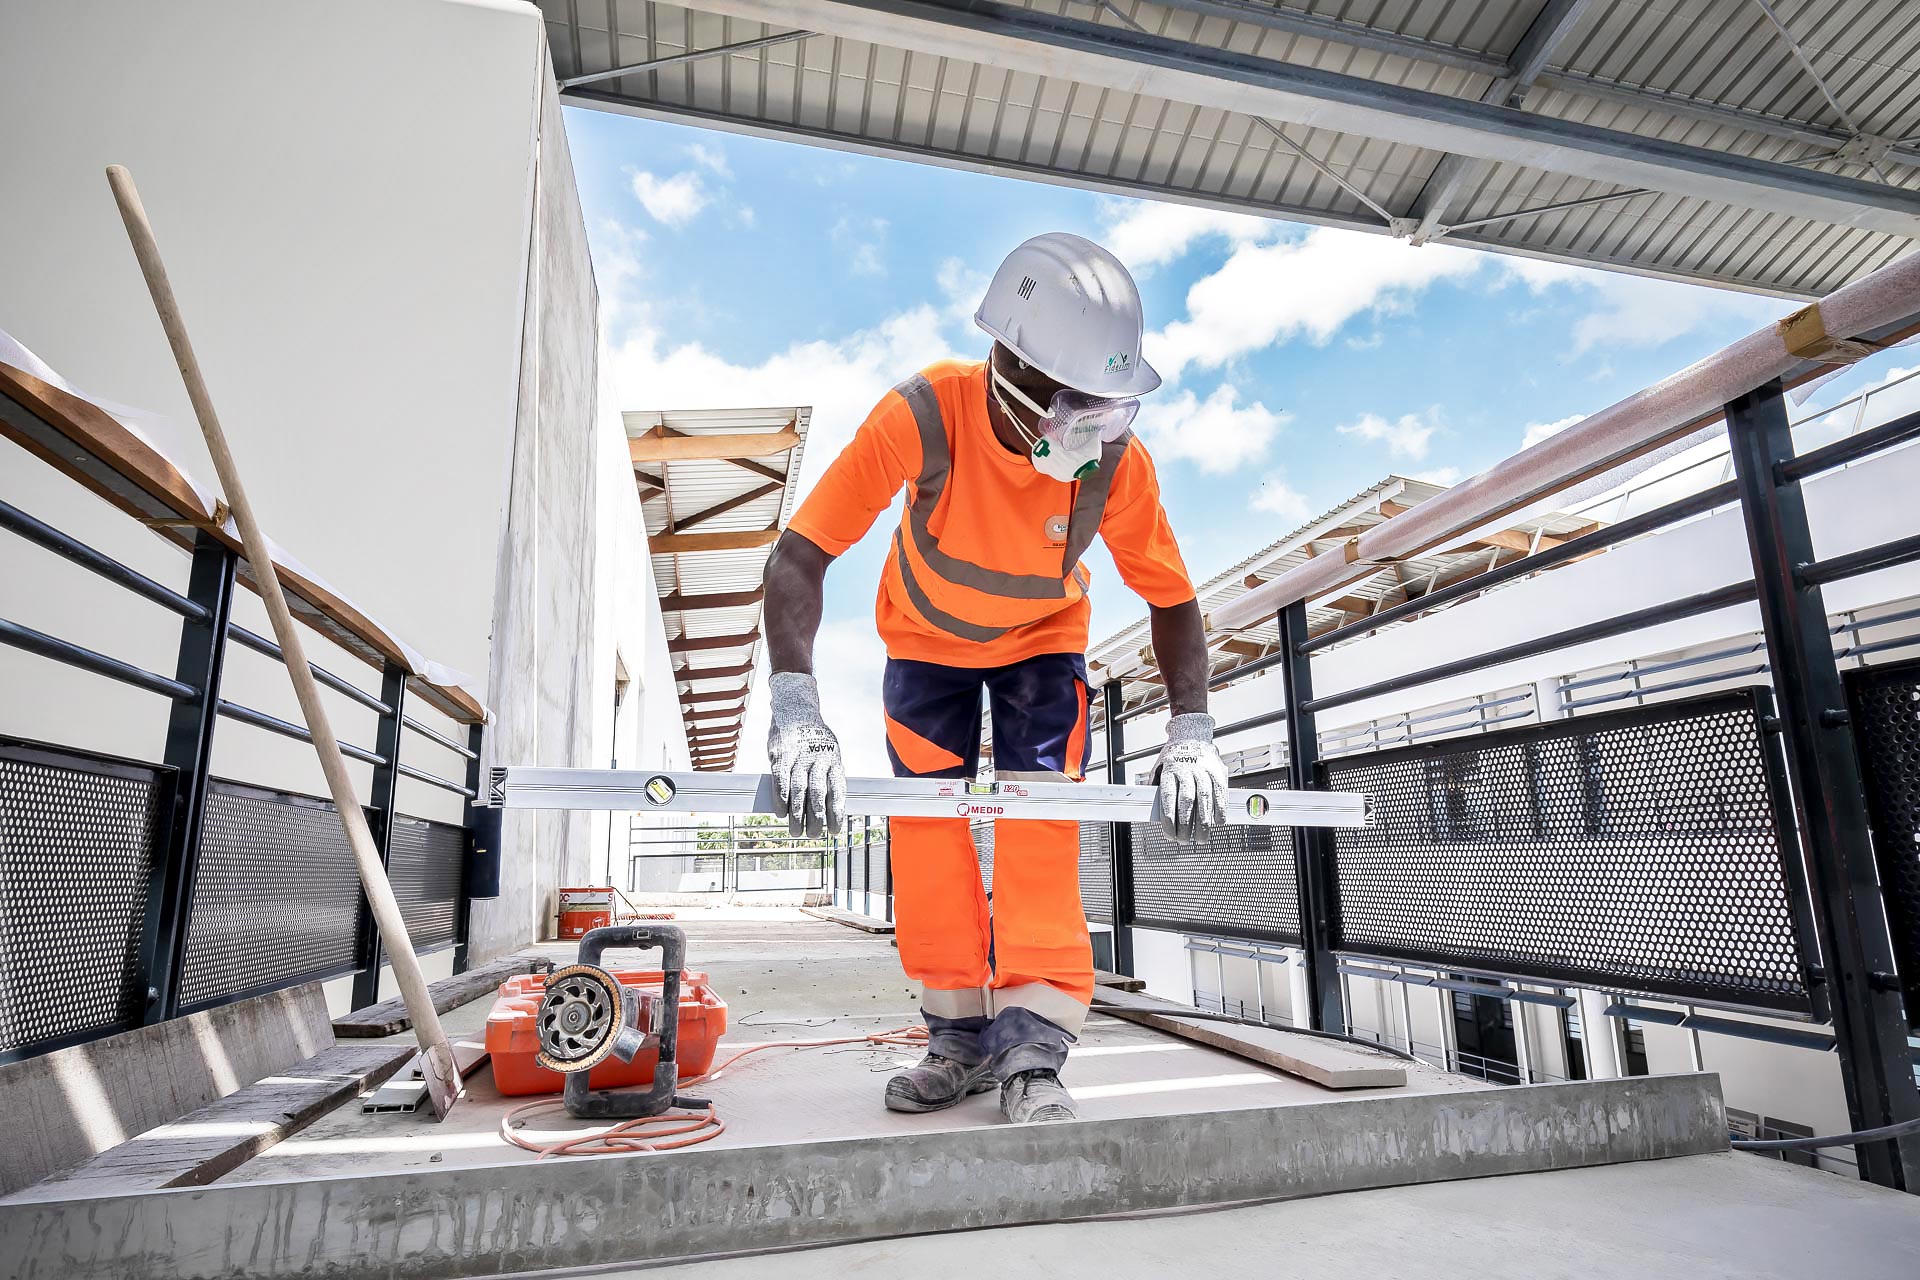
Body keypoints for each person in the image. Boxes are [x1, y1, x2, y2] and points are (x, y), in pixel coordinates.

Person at [760, 232, 1228, 1124]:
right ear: (1009, 373)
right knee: (928, 833)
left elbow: (1171, 598)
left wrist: (1192, 730)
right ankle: (958, 1040)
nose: (1092, 429)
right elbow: (801, 554)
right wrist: (796, 711)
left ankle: (1033, 1049)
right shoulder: (925, 414)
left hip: (1042, 646)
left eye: (1109, 407)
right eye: (1075, 405)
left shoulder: (1116, 463)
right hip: (924, 643)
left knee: (1039, 824)